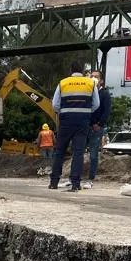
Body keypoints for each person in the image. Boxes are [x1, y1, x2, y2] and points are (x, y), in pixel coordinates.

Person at [48, 61, 98, 192]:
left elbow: (55, 105)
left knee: (59, 151)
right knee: (78, 153)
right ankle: (75, 184)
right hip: (83, 121)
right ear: (82, 71)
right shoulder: (91, 83)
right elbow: (96, 104)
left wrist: (65, 111)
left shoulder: (63, 83)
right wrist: (86, 111)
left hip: (66, 121)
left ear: (71, 70)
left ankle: (54, 182)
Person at [86, 70, 112, 189]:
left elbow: (106, 111)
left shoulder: (104, 94)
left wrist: (99, 124)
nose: (93, 78)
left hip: (96, 128)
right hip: (84, 126)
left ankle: (90, 178)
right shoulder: (87, 92)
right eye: (92, 76)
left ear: (101, 80)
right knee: (78, 152)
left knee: (93, 154)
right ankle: (75, 177)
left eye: (96, 77)